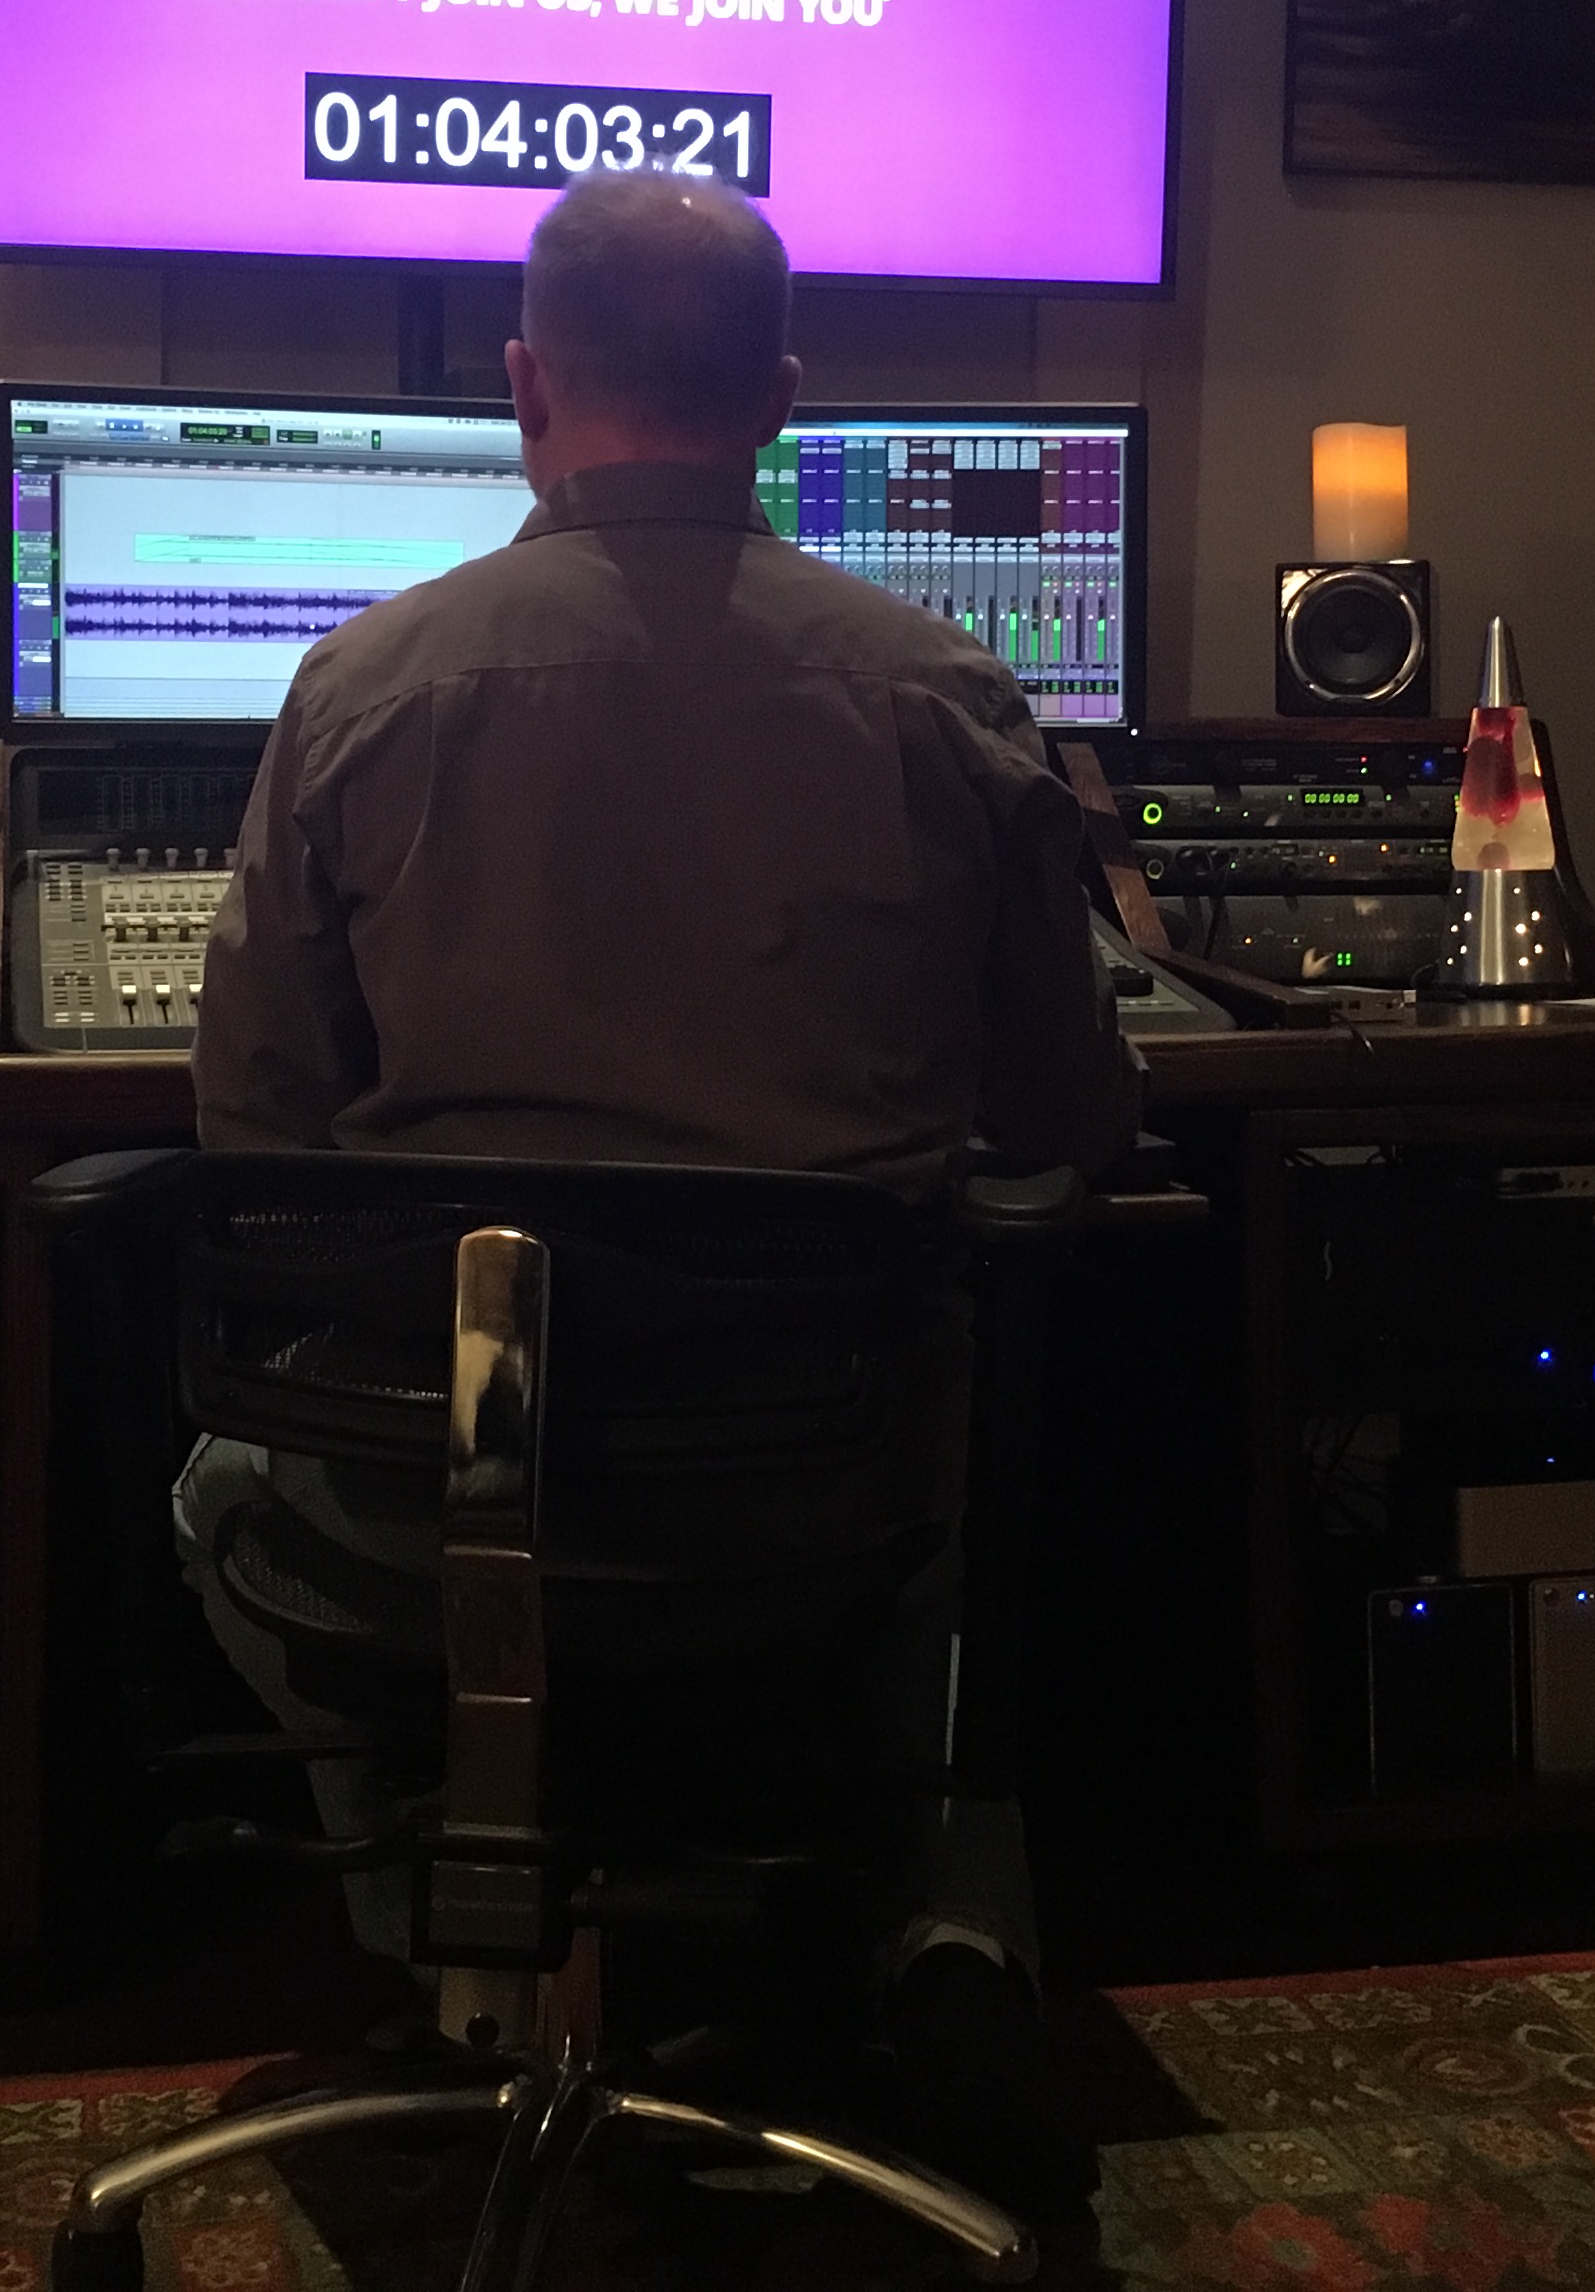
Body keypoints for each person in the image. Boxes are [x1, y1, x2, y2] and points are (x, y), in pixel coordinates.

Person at [181, 167, 1138, 2207]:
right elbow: (1076, 1120)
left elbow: (255, 1124)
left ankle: (449, 1950)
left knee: (215, 1490)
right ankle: (888, 1937)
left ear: (524, 386)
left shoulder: (360, 687)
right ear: (783, 399)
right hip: (816, 1514)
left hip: (439, 1499)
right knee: (972, 1438)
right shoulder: (948, 697)